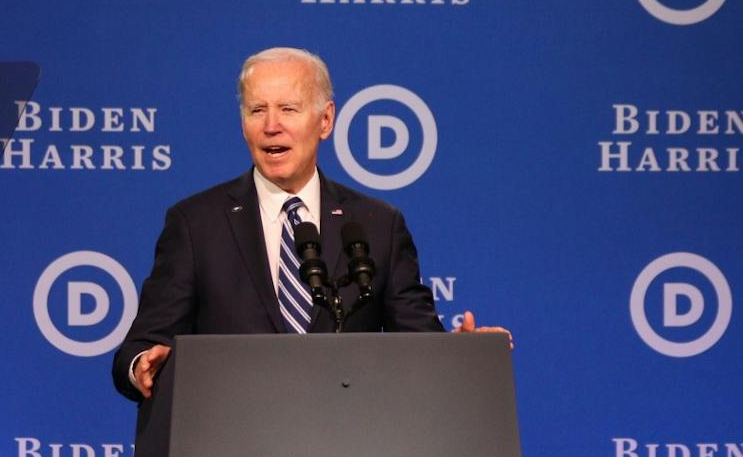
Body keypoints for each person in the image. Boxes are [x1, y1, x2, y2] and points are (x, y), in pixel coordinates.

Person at [112, 46, 505, 401]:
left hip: (348, 454)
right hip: (231, 455)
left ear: (326, 120)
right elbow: (140, 345)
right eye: (256, 110)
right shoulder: (196, 224)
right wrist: (144, 364)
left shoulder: (376, 225)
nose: (271, 126)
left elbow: (421, 348)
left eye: (288, 109)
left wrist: (462, 357)